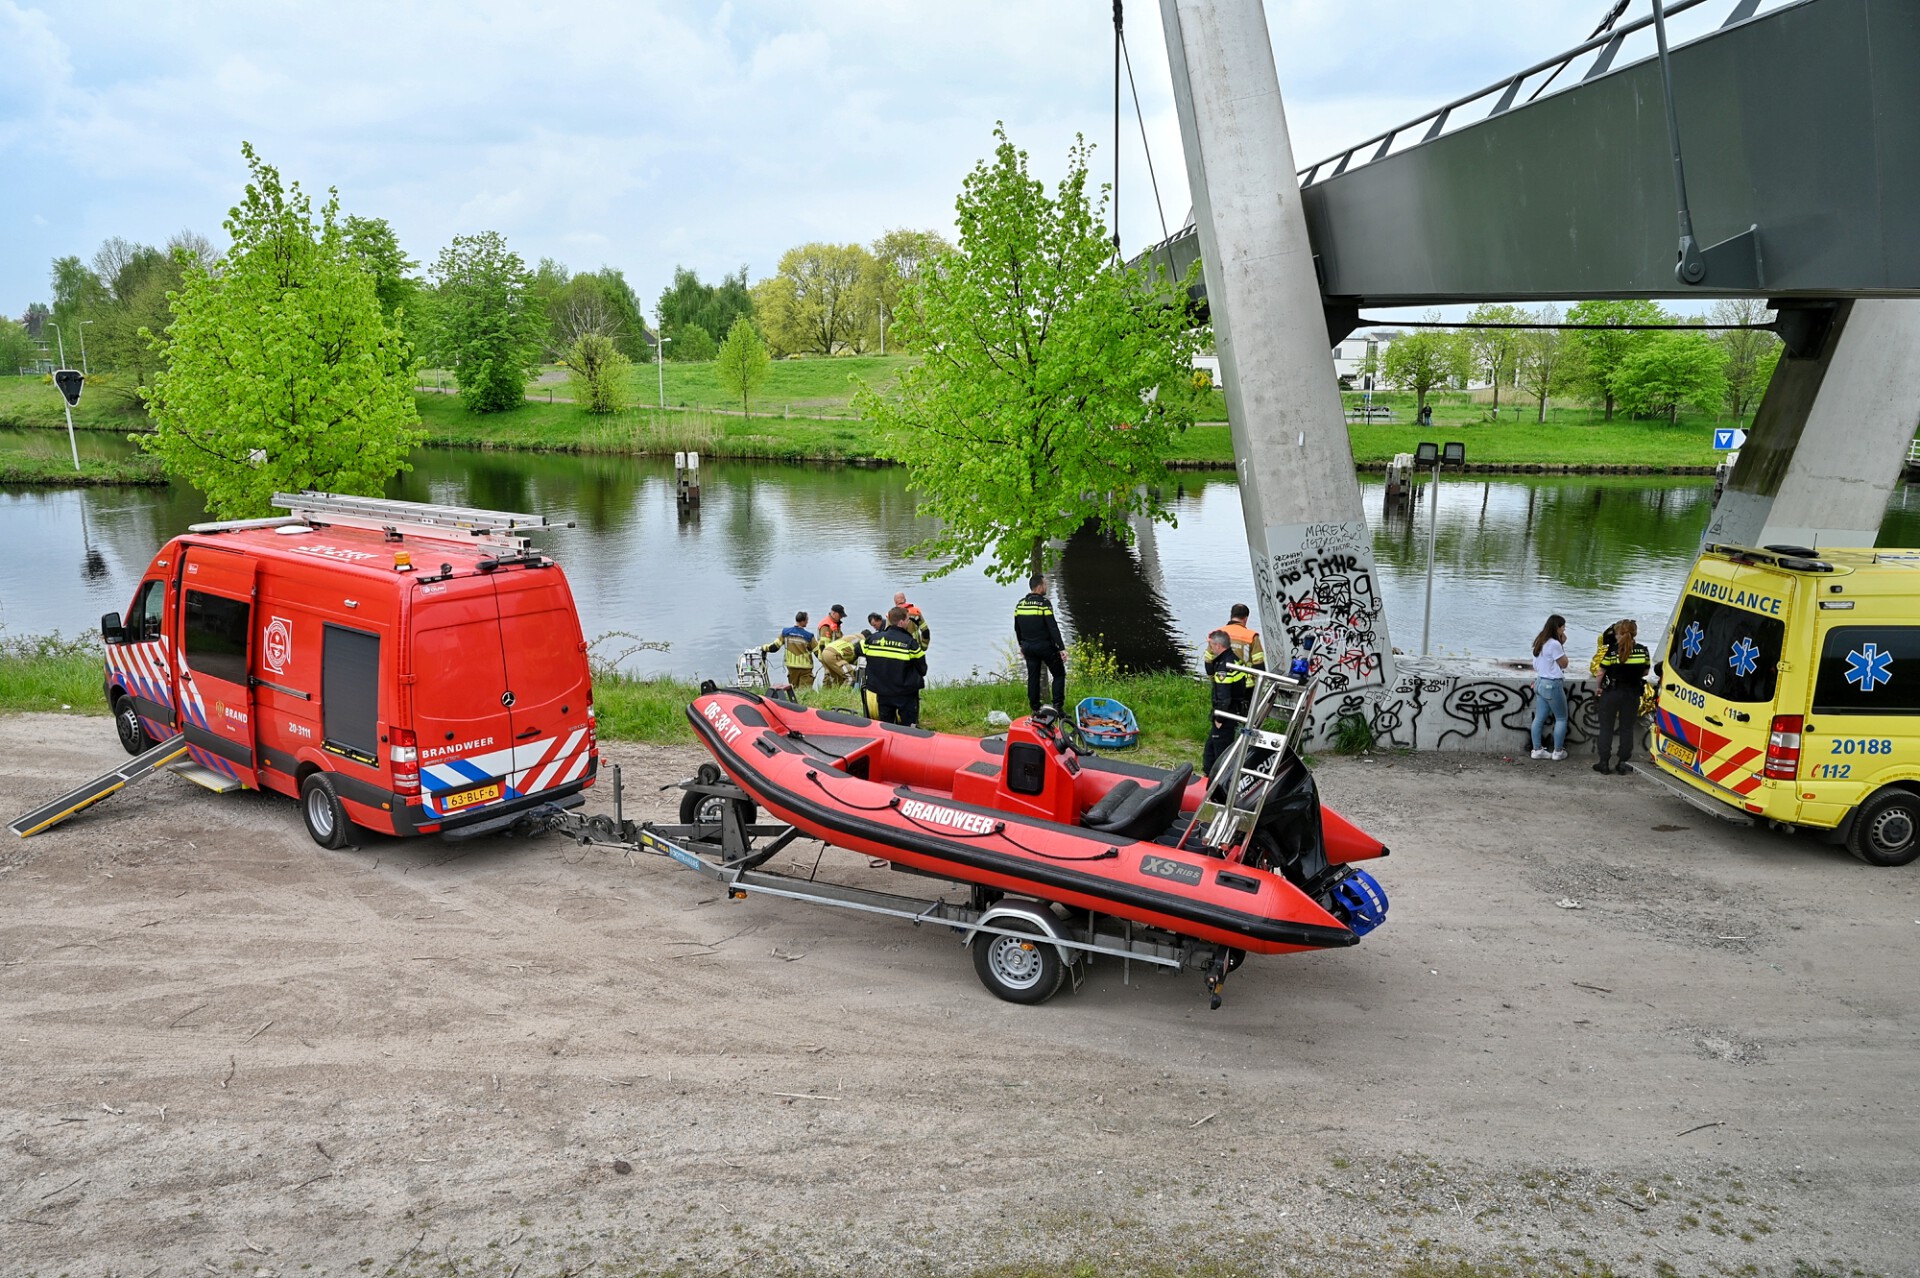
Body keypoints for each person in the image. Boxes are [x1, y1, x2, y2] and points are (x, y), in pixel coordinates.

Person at [1593, 618, 1651, 774]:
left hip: (1612, 692)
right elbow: (1645, 672)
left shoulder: (1612, 651)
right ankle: (1622, 762)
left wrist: (1598, 688)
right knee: (1626, 729)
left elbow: (1600, 672)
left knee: (1606, 728)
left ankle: (1604, 763)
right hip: (1632, 694)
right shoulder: (1643, 650)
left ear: (1619, 634)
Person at [861, 606, 927, 725]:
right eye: (908, 620)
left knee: (886, 725)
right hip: (904, 693)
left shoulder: (873, 639)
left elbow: (857, 650)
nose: (909, 622)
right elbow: (922, 669)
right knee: (908, 726)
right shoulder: (910, 643)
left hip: (882, 691)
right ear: (901, 622)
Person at [1013, 573, 1067, 714]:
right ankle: (1057, 708)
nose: (1046, 587)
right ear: (1040, 586)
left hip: (1028, 647)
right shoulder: (1044, 604)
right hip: (1045, 647)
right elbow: (1052, 627)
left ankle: (1035, 708)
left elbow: (1017, 628)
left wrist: (1021, 646)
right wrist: (1061, 648)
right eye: (1045, 585)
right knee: (1059, 674)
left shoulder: (1020, 605)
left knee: (1033, 677)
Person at [1202, 629, 1253, 776]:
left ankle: (1220, 781)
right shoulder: (1235, 660)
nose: (1210, 649)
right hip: (1234, 710)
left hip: (1226, 715)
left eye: (1211, 645)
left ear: (1218, 646)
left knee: (1221, 752)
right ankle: (1207, 775)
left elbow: (1223, 697)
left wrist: (1219, 718)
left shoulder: (1224, 668)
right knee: (1210, 749)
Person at [1529, 613, 1571, 761]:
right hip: (1552, 685)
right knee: (1561, 718)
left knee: (1539, 718)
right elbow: (1564, 663)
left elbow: (1539, 663)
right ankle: (1558, 751)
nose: (1564, 631)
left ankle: (1537, 749)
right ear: (1557, 628)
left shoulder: (1540, 641)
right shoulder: (1554, 644)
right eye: (1563, 627)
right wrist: (1562, 645)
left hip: (1540, 682)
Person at [761, 611, 817, 691]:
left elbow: (774, 647)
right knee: (805, 692)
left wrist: (763, 647)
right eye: (807, 620)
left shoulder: (785, 633)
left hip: (791, 668)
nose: (808, 621)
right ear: (804, 621)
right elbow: (818, 652)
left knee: (794, 690)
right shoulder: (809, 636)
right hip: (805, 669)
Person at [1221, 603, 1265, 667]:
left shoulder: (1217, 634)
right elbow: (1259, 664)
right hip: (1244, 676)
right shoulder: (1251, 636)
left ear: (1231, 616)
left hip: (1221, 676)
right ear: (1246, 618)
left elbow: (1208, 663)